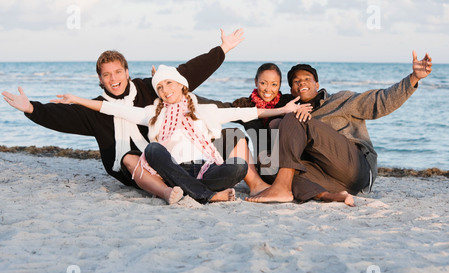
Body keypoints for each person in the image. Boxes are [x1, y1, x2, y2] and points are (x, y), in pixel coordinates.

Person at [2, 29, 245, 204]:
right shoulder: (96, 110)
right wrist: (31, 108)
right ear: (100, 79)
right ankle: (172, 193)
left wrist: (222, 49)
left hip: (170, 163)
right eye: (107, 75)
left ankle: (195, 189)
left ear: (127, 72)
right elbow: (61, 116)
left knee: (231, 159)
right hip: (136, 170)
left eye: (118, 72)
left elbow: (186, 74)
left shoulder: (150, 88)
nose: (113, 79)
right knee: (130, 157)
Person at [51, 65, 306, 204]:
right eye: (159, 86)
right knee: (152, 150)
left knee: (238, 166)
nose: (164, 89)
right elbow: (112, 108)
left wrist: (284, 108)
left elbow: (245, 112)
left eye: (168, 83)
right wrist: (78, 100)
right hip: (173, 170)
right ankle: (207, 195)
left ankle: (194, 191)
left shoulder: (204, 110)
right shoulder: (152, 113)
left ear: (181, 85)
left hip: (206, 169)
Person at [246, 51, 433, 206]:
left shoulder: (341, 100)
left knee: (296, 118)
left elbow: (380, 101)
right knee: (268, 166)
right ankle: (328, 196)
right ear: (292, 91)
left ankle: (282, 188)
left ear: (317, 84)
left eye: (307, 79)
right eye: (296, 81)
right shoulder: (292, 111)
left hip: (355, 168)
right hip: (329, 180)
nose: (301, 83)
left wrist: (413, 78)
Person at [227, 63, 312, 195]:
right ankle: (255, 184)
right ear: (256, 82)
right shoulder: (244, 105)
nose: (268, 89)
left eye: (274, 84)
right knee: (228, 135)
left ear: (279, 85)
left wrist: (304, 112)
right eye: (263, 83)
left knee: (279, 123)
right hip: (262, 169)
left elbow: (314, 107)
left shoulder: (288, 102)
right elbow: (219, 110)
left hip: (288, 168)